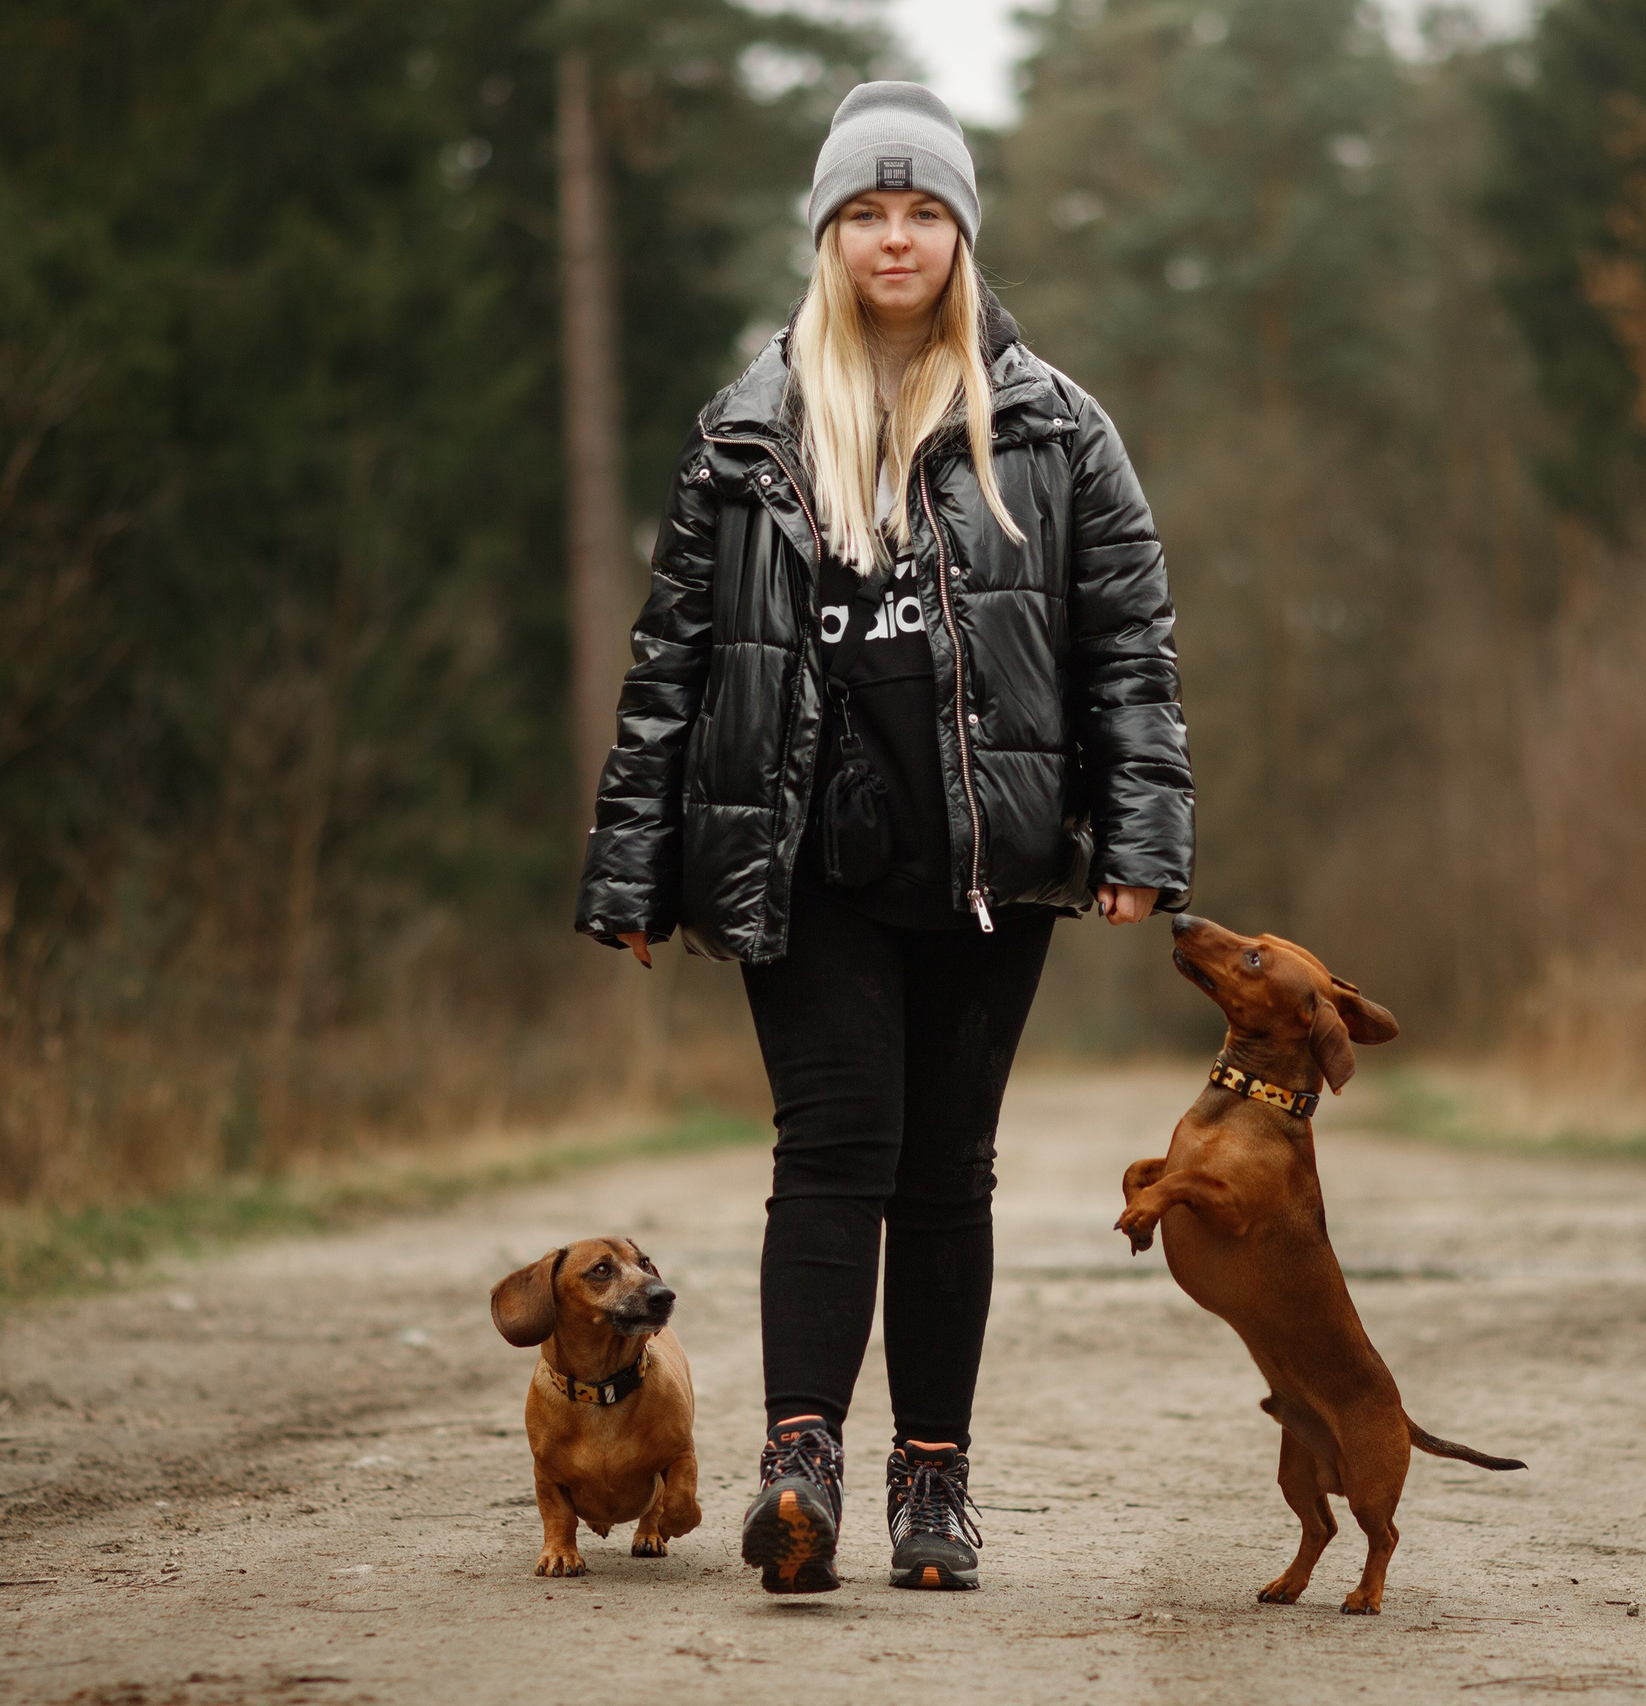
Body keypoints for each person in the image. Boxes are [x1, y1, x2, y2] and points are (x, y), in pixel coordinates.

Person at [574, 80, 1192, 1595]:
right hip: (802, 858)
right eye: (866, 213)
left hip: (988, 858)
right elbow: (672, 662)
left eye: (922, 213)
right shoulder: (747, 429)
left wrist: (1140, 834)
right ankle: (801, 1467)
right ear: (829, 236)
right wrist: (631, 863)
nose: (895, 238)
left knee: (947, 1170)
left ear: (961, 236)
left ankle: (933, 1483)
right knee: (833, 1150)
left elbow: (1128, 647)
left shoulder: (1057, 429)